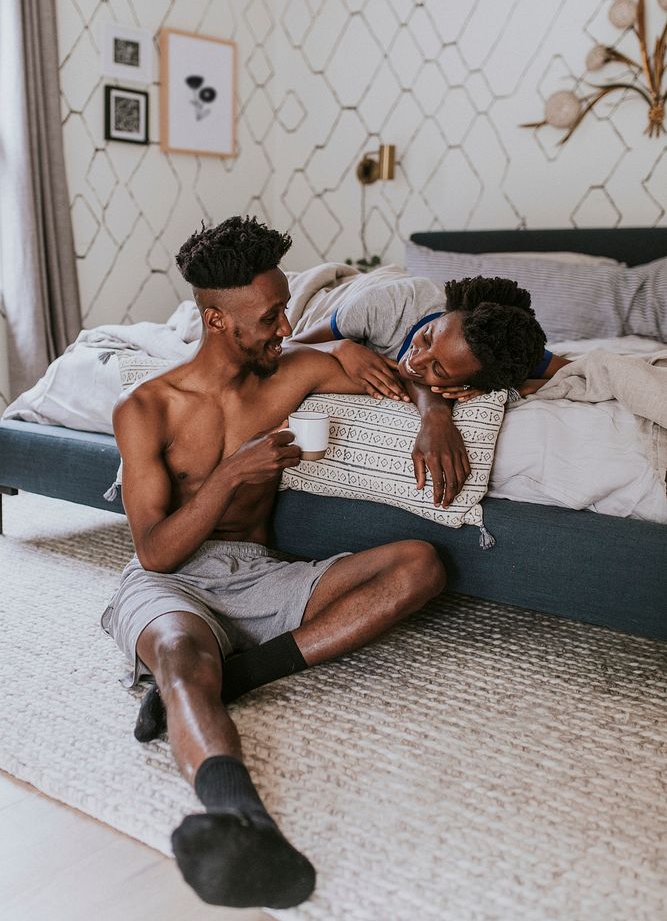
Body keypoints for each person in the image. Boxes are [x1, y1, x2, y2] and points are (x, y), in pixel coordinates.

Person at [100, 216, 446, 911]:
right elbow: (154, 551)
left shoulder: (293, 371)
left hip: (259, 571)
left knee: (421, 565)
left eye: (286, 306)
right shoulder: (146, 408)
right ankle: (241, 818)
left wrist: (431, 411)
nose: (285, 325)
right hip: (173, 579)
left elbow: (406, 373)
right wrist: (231, 474)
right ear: (216, 321)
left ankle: (248, 670)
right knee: (178, 655)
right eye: (268, 315)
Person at [289, 273, 568, 508]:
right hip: (348, 298)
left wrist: (519, 386)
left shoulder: (500, 349)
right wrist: (342, 347)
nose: (415, 361)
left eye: (440, 370)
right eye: (427, 337)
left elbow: (574, 371)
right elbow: (289, 347)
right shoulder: (386, 307)